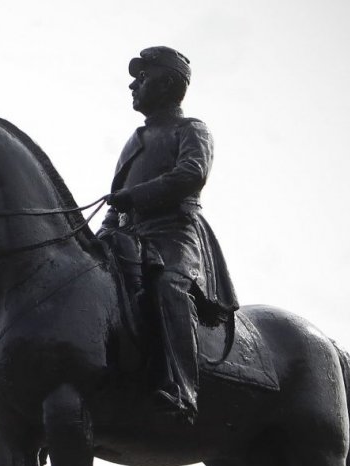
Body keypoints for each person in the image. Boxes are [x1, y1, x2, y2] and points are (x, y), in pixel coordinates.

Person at [101, 46, 239, 421]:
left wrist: (136, 196)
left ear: (165, 83)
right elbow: (116, 202)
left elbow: (192, 174)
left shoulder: (192, 129)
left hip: (174, 233)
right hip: (129, 238)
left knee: (168, 288)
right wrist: (99, 237)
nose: (132, 85)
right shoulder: (135, 140)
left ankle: (183, 389)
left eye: (141, 77)